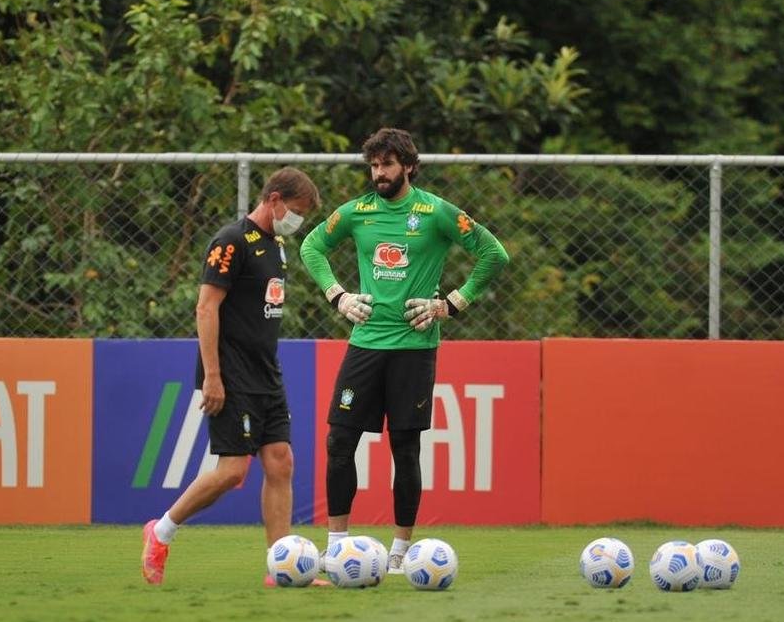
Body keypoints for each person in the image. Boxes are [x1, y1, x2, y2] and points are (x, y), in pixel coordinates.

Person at [299, 127, 509, 573]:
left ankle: (400, 549)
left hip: (414, 346)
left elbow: (494, 254)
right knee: (339, 440)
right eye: (374, 165)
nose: (379, 173)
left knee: (405, 447)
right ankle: (337, 545)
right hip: (366, 344)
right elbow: (312, 245)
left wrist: (450, 304)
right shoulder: (356, 213)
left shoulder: (434, 212)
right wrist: (338, 295)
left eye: (388, 165)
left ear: (409, 166)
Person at [142, 166, 322, 586]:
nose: (296, 222)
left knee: (281, 463)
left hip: (267, 373)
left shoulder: (276, 246)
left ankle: (280, 569)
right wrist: (213, 376)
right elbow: (206, 308)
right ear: (274, 199)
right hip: (232, 373)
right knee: (233, 472)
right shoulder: (230, 241)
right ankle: (161, 530)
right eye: (295, 211)